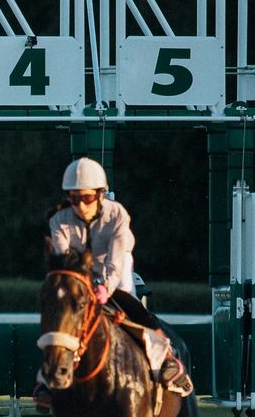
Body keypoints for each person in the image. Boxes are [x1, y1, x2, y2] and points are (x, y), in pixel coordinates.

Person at [42, 157, 188, 392]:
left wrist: (105, 288)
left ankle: (167, 358)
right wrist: (84, 284)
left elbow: (116, 259)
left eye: (87, 198)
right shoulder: (59, 220)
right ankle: (46, 377)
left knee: (128, 304)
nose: (80, 205)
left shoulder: (118, 214)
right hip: (80, 275)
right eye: (74, 198)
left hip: (115, 268)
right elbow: (64, 260)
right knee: (59, 311)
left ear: (100, 195)